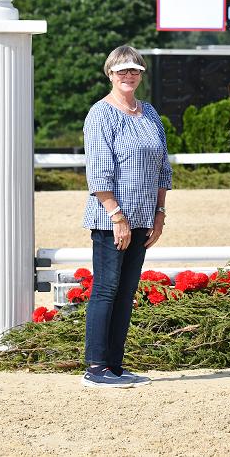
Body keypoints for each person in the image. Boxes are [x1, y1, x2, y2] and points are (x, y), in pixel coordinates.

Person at [80, 45, 172, 388]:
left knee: (127, 290)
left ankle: (115, 366)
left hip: (144, 217)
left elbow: (163, 167)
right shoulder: (100, 115)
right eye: (122, 71)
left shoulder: (149, 113)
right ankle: (95, 366)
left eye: (135, 71)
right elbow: (99, 172)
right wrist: (117, 216)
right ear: (110, 74)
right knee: (106, 289)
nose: (129, 76)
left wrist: (159, 212)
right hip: (111, 219)